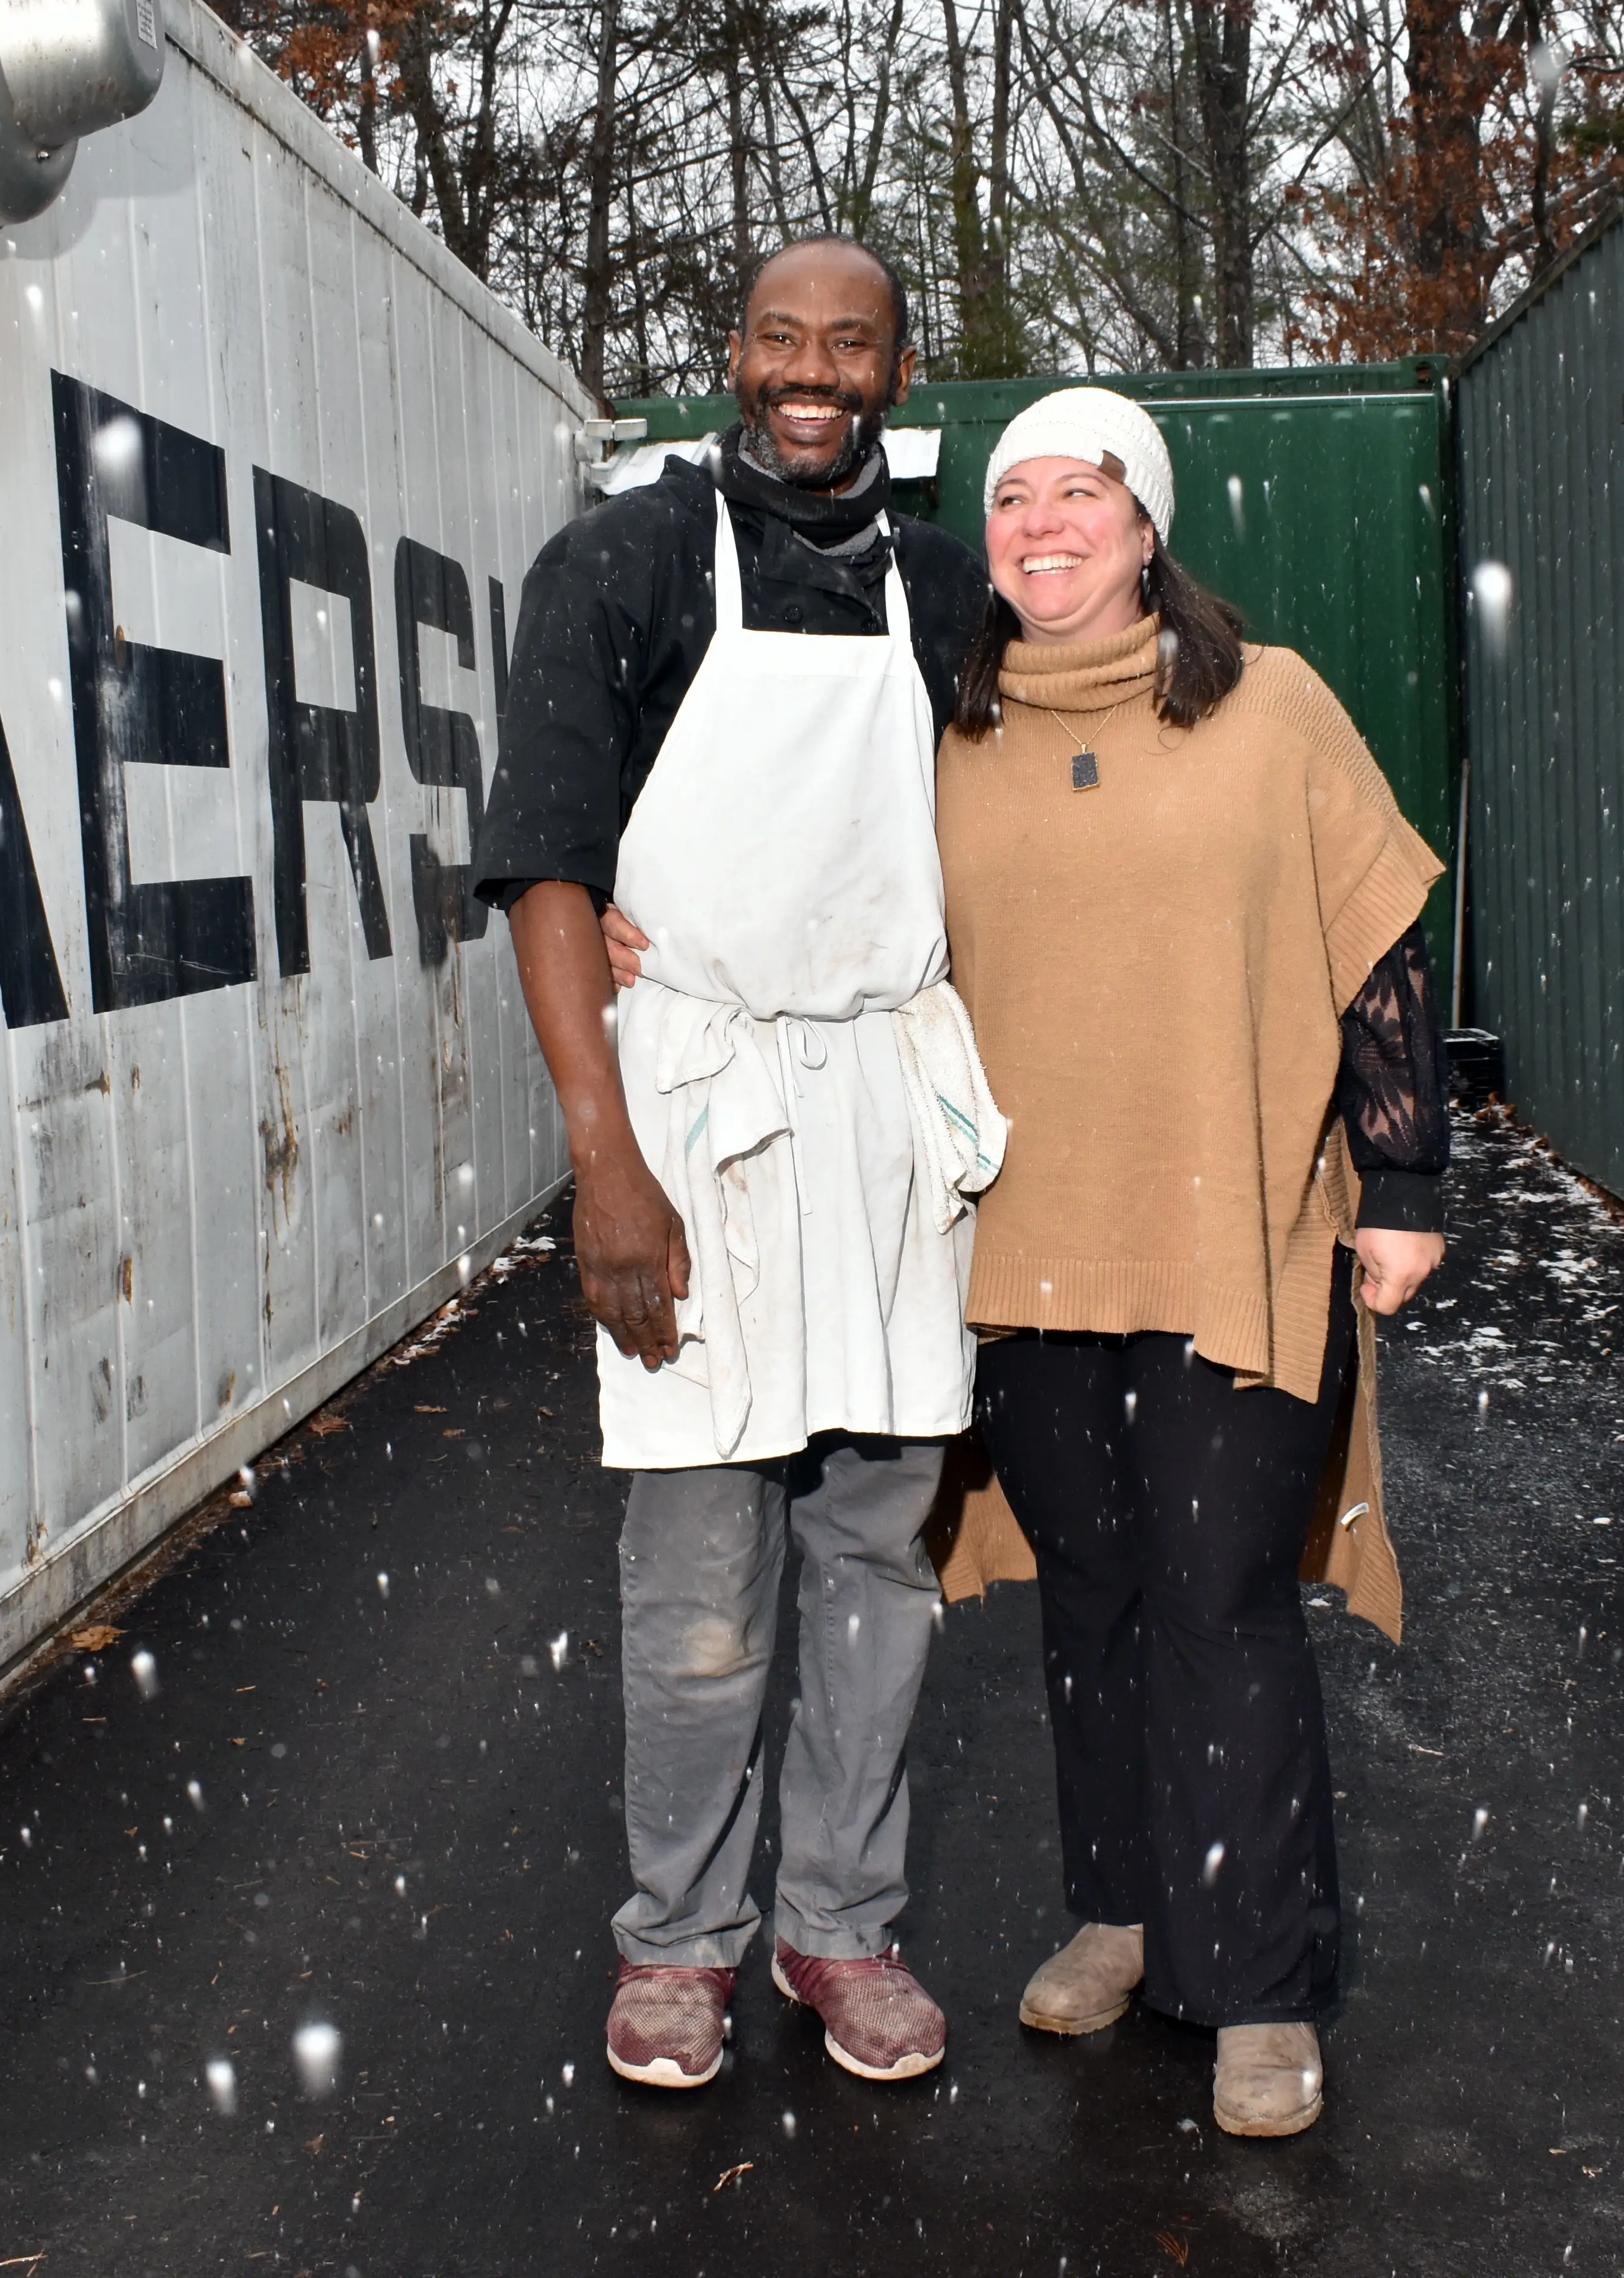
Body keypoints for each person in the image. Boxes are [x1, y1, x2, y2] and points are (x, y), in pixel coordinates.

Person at [475, 236, 1008, 2093]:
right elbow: (548, 864)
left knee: (876, 1558)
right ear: (733, 355)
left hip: (883, 1121)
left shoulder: (945, 592)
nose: (812, 372)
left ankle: (838, 1928)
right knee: (701, 1568)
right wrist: (604, 1162)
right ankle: (678, 1945)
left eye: (849, 345)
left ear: (895, 369)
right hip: (697, 1112)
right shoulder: (620, 562)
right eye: (781, 338)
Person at [932, 386, 1448, 2139]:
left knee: (1222, 1600)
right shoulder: (950, 725)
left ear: (1149, 527)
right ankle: (1128, 1912)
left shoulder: (1268, 706)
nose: (1044, 524)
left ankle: (1261, 1991)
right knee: (1095, 1601)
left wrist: (1405, 1177)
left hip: (1236, 1227)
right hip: (1030, 1250)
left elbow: (1374, 936)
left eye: (1082, 492)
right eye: (1013, 497)